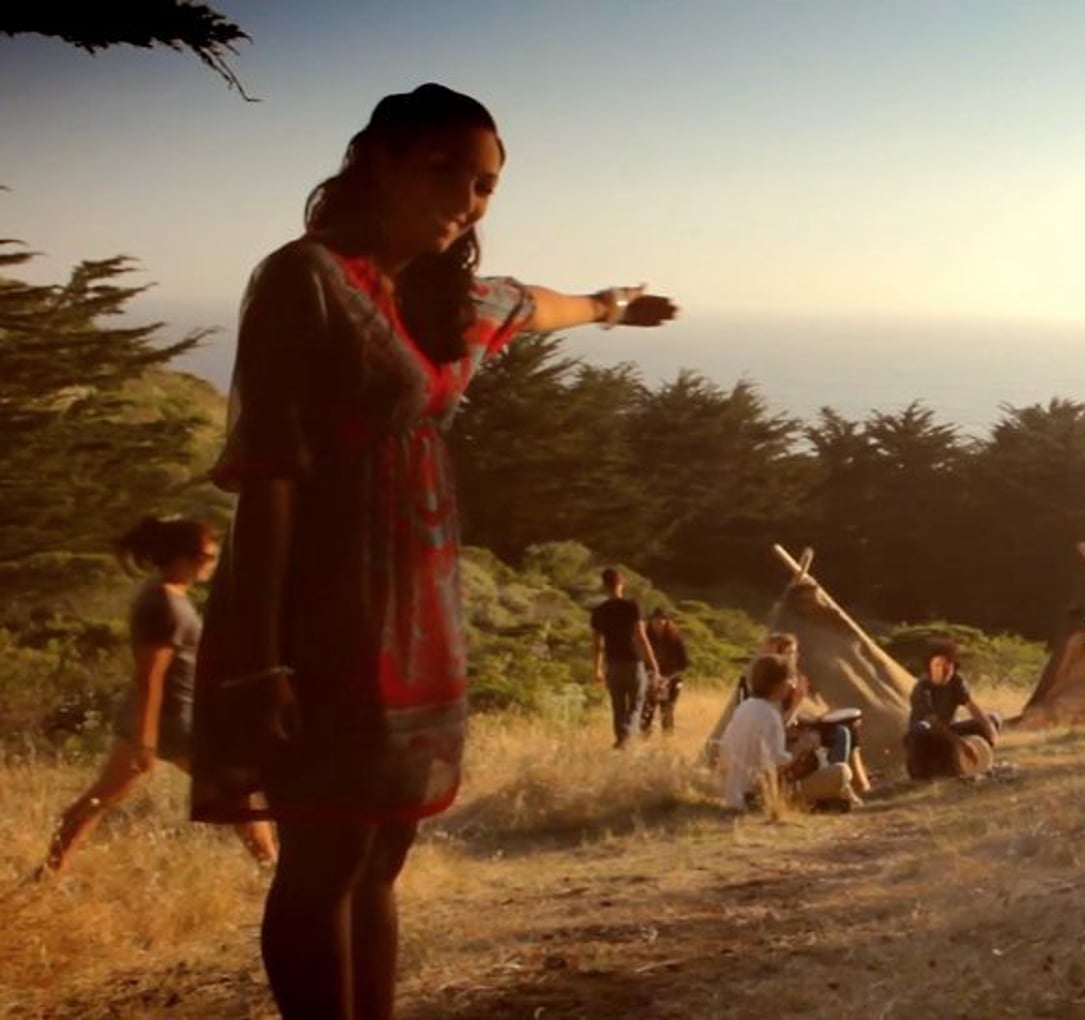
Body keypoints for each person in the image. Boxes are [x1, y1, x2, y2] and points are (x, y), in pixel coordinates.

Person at [187, 84, 677, 1020]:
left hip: (419, 607)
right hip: (324, 600)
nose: (467, 197)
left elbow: (530, 304)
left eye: (484, 184)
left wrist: (612, 305)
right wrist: (261, 654)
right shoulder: (307, 278)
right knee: (325, 853)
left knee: (382, 853)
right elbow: (272, 474)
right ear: (376, 160)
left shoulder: (447, 295)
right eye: (445, 169)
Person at [43, 518, 279, 875]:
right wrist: (147, 740)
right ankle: (271, 871)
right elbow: (150, 676)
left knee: (102, 797)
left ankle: (48, 872)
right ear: (182, 557)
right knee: (239, 793)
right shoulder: (162, 604)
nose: (211, 563)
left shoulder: (170, 595)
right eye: (206, 556)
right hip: (170, 720)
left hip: (157, 716)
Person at [905, 639, 1000, 779]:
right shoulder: (922, 689)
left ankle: (976, 763)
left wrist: (989, 729)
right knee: (919, 732)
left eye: (948, 665)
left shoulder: (956, 681)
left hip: (949, 730)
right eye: (938, 665)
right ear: (929, 667)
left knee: (992, 719)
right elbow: (934, 724)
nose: (943, 670)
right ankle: (928, 771)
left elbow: (971, 706)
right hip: (929, 737)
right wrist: (961, 744)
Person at [589, 567, 663, 749]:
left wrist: (597, 669)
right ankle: (627, 736)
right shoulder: (632, 606)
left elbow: (597, 644)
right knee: (637, 703)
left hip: (613, 663)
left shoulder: (599, 611)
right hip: (633, 660)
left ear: (604, 586)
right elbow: (641, 637)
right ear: (621, 583)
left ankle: (621, 738)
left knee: (618, 706)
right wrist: (653, 663)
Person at [720, 657, 797, 810]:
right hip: (756, 795)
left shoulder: (744, 707)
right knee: (840, 772)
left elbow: (725, 748)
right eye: (790, 680)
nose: (792, 685)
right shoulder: (771, 716)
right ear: (779, 685)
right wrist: (803, 747)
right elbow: (777, 764)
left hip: (734, 794)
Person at [641, 608, 691, 735]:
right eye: (656, 620)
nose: (658, 623)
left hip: (672, 678)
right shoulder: (646, 637)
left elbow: (684, 663)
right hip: (651, 678)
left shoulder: (675, 638)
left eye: (662, 620)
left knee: (667, 709)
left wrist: (668, 679)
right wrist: (652, 677)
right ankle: (644, 737)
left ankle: (667, 739)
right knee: (647, 710)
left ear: (667, 622)